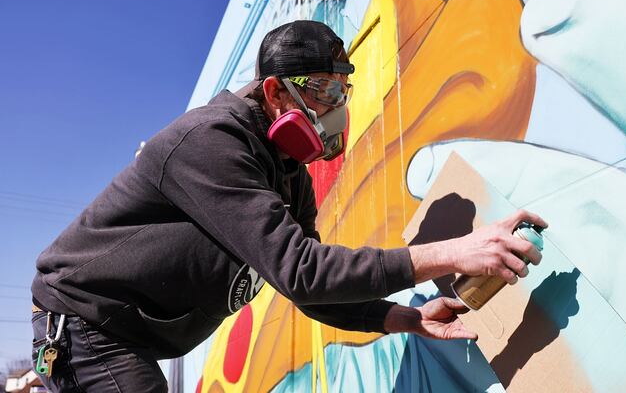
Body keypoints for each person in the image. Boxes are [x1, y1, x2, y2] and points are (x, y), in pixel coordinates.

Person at [30, 20, 546, 392]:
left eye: (343, 91)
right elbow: (304, 271)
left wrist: (403, 318)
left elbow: (311, 290)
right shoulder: (209, 143)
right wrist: (455, 252)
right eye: (324, 90)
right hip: (86, 323)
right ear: (276, 92)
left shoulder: (289, 176)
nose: (338, 109)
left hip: (135, 334)